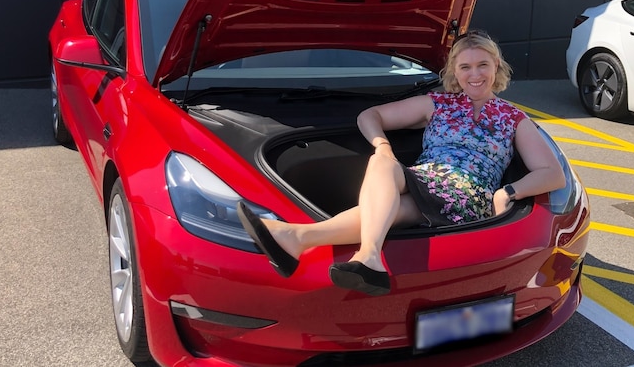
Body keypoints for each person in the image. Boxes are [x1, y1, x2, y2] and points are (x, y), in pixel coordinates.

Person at [237, 30, 566, 296]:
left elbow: (552, 174)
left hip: (469, 196)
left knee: (382, 170)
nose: (474, 75)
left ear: (496, 66)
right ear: (454, 71)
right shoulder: (437, 103)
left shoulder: (514, 118)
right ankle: (313, 243)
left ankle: (345, 250)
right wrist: (382, 145)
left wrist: (508, 192)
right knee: (386, 192)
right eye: (465, 67)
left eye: (482, 65)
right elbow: (370, 115)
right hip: (427, 182)